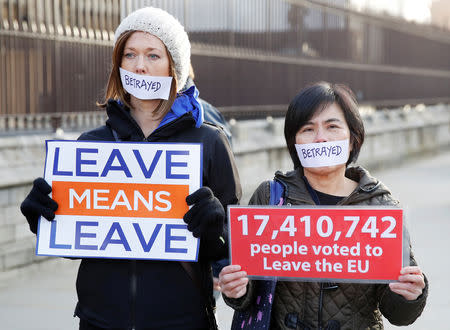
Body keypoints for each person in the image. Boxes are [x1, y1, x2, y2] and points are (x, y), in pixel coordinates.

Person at [20, 7, 241, 330]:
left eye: (153, 55)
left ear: (173, 66)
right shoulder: (90, 143)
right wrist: (44, 220)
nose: (140, 66)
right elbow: (78, 244)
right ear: (119, 64)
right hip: (100, 321)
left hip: (182, 322)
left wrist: (214, 231)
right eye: (130, 54)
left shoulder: (209, 142)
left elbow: (232, 248)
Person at [219, 82, 428, 329]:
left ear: (353, 138)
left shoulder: (381, 207)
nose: (320, 138)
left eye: (332, 126)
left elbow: (398, 313)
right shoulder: (270, 197)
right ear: (294, 143)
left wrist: (410, 295)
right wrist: (236, 290)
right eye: (307, 129)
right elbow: (248, 290)